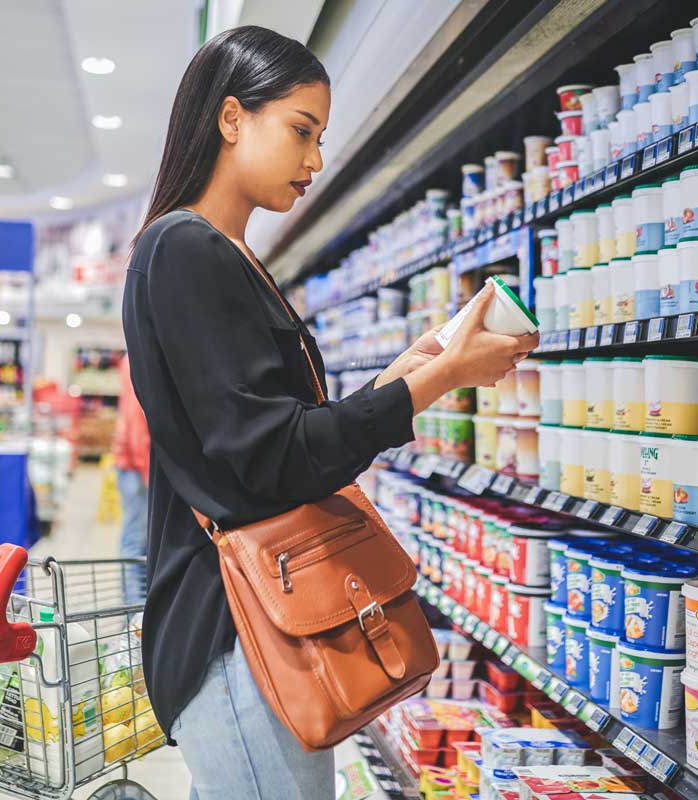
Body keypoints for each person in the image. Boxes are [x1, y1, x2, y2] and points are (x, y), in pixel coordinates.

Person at [122, 26, 539, 800]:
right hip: (237, 631)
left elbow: (273, 434)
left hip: (259, 627)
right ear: (231, 118)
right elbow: (271, 457)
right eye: (301, 131)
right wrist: (438, 381)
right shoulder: (187, 249)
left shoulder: (228, 254)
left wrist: (402, 374)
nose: (314, 161)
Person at [112, 354, 150, 605]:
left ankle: (137, 618)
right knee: (135, 544)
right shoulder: (138, 357)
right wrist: (148, 472)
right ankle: (134, 621)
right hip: (136, 465)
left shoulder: (133, 357)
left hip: (134, 462)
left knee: (139, 543)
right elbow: (137, 421)